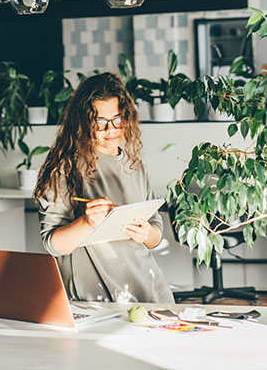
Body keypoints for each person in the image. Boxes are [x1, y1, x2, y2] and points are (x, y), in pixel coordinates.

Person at [34, 72, 174, 303]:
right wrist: (86, 222)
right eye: (100, 122)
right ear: (84, 122)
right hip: (94, 298)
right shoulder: (65, 168)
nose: (111, 130)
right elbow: (53, 245)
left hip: (146, 288)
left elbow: (155, 232)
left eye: (118, 119)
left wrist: (147, 233)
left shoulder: (134, 164)